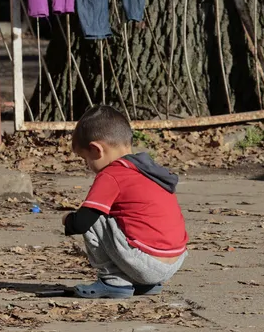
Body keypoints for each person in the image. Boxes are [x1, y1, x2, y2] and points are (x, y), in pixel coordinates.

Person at [62, 105, 189, 299]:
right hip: (175, 260)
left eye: (85, 158)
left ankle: (114, 282)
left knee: (93, 216)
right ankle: (143, 283)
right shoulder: (147, 169)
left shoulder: (111, 175)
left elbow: (83, 223)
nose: (88, 166)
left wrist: (68, 220)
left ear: (97, 150)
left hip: (146, 265)